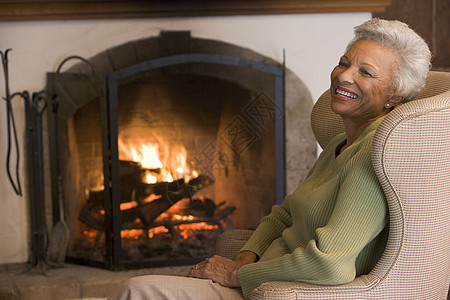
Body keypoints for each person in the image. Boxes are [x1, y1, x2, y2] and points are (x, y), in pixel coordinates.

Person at [107, 18, 432, 300]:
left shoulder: (375, 155)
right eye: (344, 62)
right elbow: (284, 214)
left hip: (284, 291)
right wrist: (246, 258)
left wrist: (237, 276)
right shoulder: (341, 143)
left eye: (366, 72)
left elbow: (330, 264)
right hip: (261, 279)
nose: (344, 76)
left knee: (136, 291)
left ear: (395, 96)